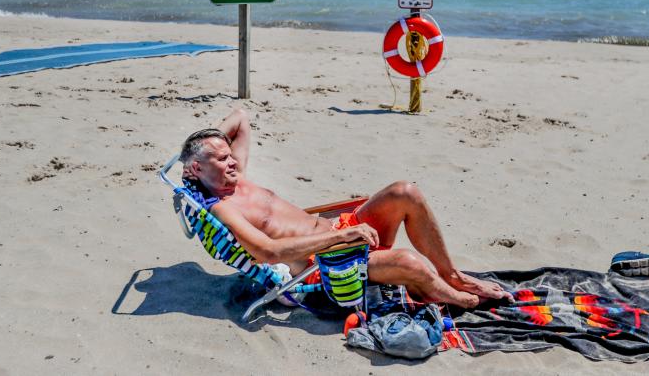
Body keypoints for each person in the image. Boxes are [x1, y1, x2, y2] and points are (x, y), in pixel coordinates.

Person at [180, 108, 514, 308]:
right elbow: (268, 252)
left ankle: (451, 275)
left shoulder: (235, 175)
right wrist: (341, 239)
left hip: (343, 229)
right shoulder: (223, 208)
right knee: (408, 262)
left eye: (229, 154)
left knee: (404, 192)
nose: (232, 162)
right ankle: (459, 298)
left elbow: (240, 119)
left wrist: (202, 149)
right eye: (221, 159)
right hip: (327, 263)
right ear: (197, 170)